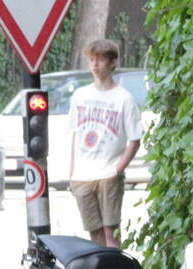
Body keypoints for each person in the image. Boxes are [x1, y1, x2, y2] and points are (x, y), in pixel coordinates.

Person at [68, 39, 143, 248]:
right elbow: (75, 134)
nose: (95, 65)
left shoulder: (124, 99)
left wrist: (117, 169)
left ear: (112, 62)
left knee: (110, 235)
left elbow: (135, 140)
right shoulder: (80, 96)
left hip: (109, 174)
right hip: (82, 176)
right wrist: (72, 173)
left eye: (100, 60)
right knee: (95, 235)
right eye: (92, 60)